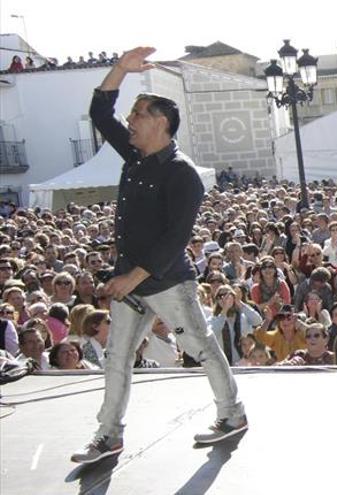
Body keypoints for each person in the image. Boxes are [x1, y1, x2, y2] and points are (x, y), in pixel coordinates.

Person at [72, 47, 246, 465]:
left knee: (201, 347)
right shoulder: (134, 157)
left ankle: (232, 413)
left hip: (167, 281)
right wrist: (120, 71)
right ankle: (108, 435)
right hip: (131, 281)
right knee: (117, 357)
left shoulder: (182, 173)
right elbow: (100, 113)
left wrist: (129, 279)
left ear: (161, 123)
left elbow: (175, 239)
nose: (129, 121)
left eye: (138, 114)